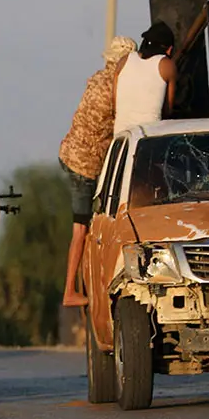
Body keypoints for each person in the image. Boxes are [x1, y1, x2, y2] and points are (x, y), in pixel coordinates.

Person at [58, 36, 138, 307]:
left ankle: (81, 285)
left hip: (70, 154)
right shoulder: (116, 91)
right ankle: (70, 291)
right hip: (85, 166)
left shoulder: (96, 79)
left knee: (89, 226)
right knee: (81, 230)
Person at [112, 21, 177, 135]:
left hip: (121, 138)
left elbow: (114, 104)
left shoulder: (124, 61)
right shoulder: (167, 65)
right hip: (149, 137)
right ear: (169, 49)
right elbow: (168, 109)